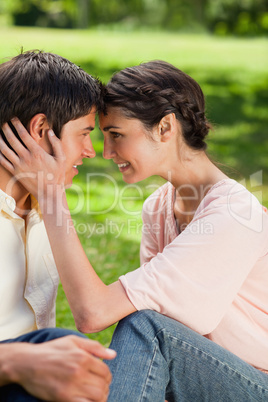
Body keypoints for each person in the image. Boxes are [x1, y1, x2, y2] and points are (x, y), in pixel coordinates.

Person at [0, 60, 267, 401]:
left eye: (116, 136)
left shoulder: (233, 213)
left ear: (165, 128)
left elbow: (98, 312)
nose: (104, 153)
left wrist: (51, 196)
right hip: (196, 377)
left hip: (254, 383)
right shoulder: (159, 207)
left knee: (145, 327)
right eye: (97, 134)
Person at [0, 50, 115, 402]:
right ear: (41, 130)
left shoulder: (43, 210)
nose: (92, 150)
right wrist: (19, 361)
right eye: (84, 133)